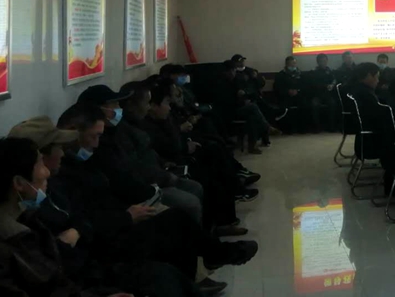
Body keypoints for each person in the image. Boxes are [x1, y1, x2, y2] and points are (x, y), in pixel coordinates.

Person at [47, 108, 259, 279]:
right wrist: (126, 216)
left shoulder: (85, 162)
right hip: (106, 239)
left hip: (118, 219)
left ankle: (207, 262)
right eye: (94, 136)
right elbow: (84, 217)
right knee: (177, 219)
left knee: (178, 219)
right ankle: (214, 256)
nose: (96, 143)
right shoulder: (61, 176)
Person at [5, 125, 209, 297]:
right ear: (19, 183)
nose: (47, 171)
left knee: (172, 237)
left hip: (95, 255)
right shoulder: (19, 232)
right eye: (40, 163)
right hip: (95, 259)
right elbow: (54, 277)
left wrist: (78, 231)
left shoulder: (47, 196)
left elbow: (82, 217)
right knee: (161, 276)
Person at [77, 85, 205, 227]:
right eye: (114, 105)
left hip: (150, 181)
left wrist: (162, 164)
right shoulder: (103, 142)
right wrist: (156, 187)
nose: (119, 109)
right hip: (142, 190)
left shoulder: (118, 129)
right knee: (190, 204)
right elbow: (127, 174)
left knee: (195, 187)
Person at [143, 81, 255, 234]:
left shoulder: (164, 119)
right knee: (210, 176)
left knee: (216, 153)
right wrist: (184, 145)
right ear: (153, 106)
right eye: (167, 103)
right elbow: (168, 146)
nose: (169, 107)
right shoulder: (148, 126)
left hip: (182, 155)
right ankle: (218, 223)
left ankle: (233, 194)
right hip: (175, 164)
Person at [212, 60, 271, 154]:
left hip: (240, 107)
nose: (233, 73)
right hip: (228, 111)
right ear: (226, 72)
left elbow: (248, 90)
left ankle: (253, 145)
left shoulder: (237, 79)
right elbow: (225, 101)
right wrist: (241, 101)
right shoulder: (220, 83)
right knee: (253, 108)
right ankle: (267, 128)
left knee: (252, 116)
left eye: (234, 70)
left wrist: (245, 96)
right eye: (231, 71)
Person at [274, 56, 309, 133]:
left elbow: (305, 86)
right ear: (286, 64)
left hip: (298, 95)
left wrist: (298, 91)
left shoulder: (300, 74)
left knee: (304, 105)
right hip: (285, 96)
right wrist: (287, 91)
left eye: (294, 64)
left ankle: (302, 128)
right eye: (291, 64)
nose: (293, 66)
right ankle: (288, 129)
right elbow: (277, 87)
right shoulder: (280, 75)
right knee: (285, 107)